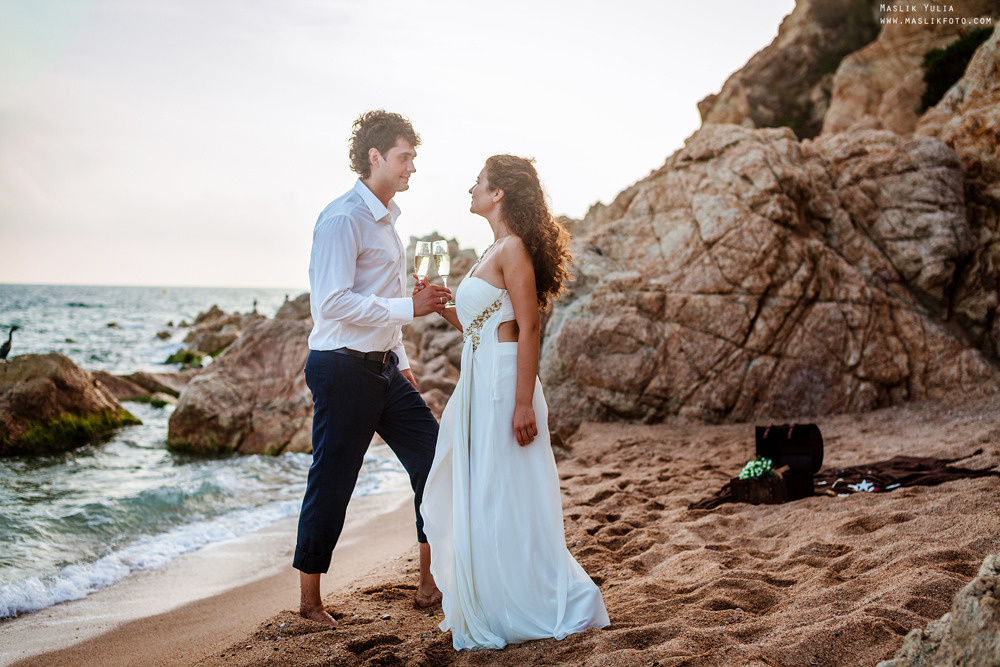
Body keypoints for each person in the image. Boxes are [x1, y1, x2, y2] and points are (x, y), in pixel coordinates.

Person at [418, 155, 610, 650]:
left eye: (478, 181)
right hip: (481, 378)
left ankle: (534, 598)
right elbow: (481, 329)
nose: (471, 187)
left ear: (498, 192)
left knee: (507, 491)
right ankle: (496, 596)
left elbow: (529, 326)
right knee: (485, 490)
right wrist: (442, 308)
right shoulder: (494, 248)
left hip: (506, 383)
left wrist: (524, 403)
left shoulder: (514, 248)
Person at [295, 110, 451, 627]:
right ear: (375, 157)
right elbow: (333, 303)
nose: (412, 168)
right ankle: (310, 603)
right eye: (406, 157)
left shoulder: (388, 220)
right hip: (340, 368)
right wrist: (412, 308)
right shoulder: (343, 218)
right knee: (333, 481)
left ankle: (429, 583)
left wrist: (401, 361)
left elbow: (382, 299)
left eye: (413, 158)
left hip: (384, 368)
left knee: (435, 460)